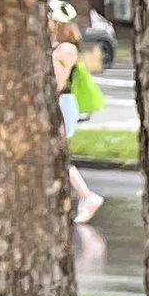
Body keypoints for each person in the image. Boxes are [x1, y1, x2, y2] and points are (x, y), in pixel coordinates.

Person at [53, 19, 103, 226]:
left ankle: (86, 195)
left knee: (58, 152)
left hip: (61, 102)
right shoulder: (62, 48)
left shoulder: (65, 49)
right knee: (54, 153)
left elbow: (58, 80)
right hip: (61, 102)